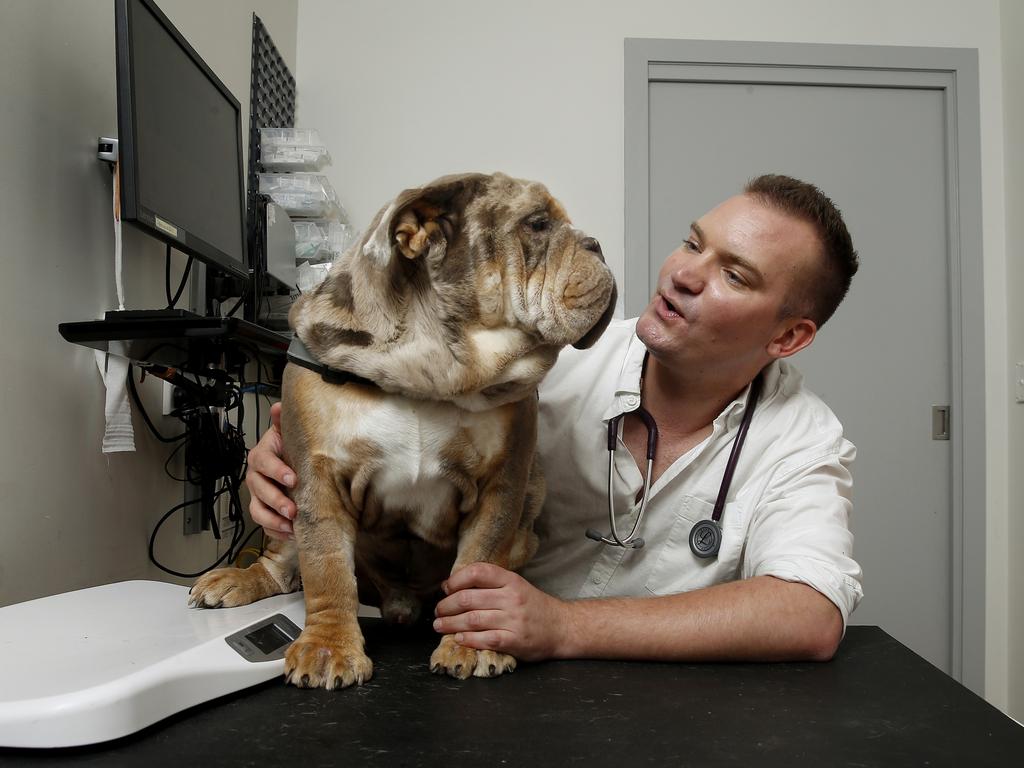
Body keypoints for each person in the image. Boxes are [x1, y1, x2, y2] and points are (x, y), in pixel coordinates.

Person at [245, 174, 863, 664]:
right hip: (463, 666)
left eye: (733, 274)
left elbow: (808, 615)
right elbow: (355, 439)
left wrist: (562, 626)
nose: (684, 274)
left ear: (788, 336)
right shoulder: (524, 363)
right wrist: (281, 459)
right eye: (694, 243)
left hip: (646, 710)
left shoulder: (803, 438)